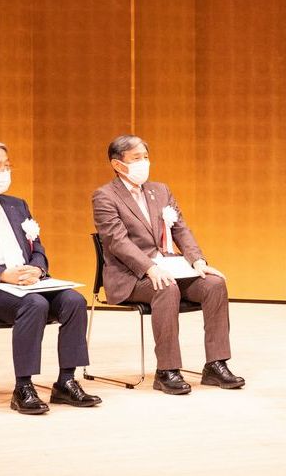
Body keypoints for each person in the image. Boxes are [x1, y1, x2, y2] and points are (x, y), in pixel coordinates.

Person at [0, 139, 101, 415]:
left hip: (27, 283)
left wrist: (38, 269)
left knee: (74, 300)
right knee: (34, 304)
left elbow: (38, 249)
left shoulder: (17, 206)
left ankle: (66, 381)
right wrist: (2, 274)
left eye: (7, 165)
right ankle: (23, 387)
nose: (5, 172)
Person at [92, 135, 244, 395]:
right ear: (117, 164)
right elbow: (117, 241)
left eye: (145, 157)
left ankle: (216, 364)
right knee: (165, 287)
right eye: (136, 158)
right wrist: (150, 268)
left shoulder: (161, 191)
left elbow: (181, 229)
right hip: (132, 276)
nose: (144, 163)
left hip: (170, 268)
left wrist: (197, 261)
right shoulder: (104, 196)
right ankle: (167, 370)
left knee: (214, 284)